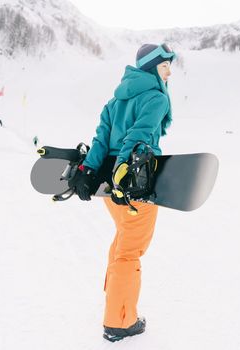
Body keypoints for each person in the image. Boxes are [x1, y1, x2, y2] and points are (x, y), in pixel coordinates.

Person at [73, 43, 175, 342]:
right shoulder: (156, 98)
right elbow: (139, 135)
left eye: (170, 66)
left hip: (112, 190)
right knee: (130, 253)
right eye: (164, 65)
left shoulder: (114, 101)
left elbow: (101, 141)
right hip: (135, 185)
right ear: (149, 68)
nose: (168, 71)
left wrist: (89, 171)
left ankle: (115, 302)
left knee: (121, 245)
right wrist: (123, 173)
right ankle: (120, 321)